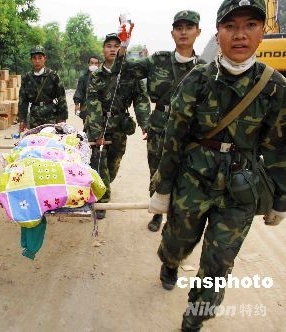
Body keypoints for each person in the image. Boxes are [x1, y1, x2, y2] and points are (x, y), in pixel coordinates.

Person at [148, 0, 285, 330]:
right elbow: (174, 136)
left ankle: (194, 319)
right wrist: (162, 188)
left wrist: (280, 198)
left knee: (219, 260)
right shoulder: (198, 80)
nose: (240, 35)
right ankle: (170, 262)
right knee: (177, 241)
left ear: (262, 32)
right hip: (193, 178)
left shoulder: (274, 86)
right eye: (230, 27)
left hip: (241, 186)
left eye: (250, 25)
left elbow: (279, 146)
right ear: (218, 32)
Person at [123, 10, 205, 232]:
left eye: (189, 27)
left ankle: (176, 216)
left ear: (198, 31)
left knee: (186, 172)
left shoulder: (205, 68)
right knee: (156, 170)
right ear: (172, 33)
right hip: (160, 125)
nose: (184, 32)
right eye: (179, 28)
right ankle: (157, 213)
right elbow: (126, 70)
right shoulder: (157, 60)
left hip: (190, 129)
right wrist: (124, 45)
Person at [85, 33, 150, 219]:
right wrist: (97, 132)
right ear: (103, 50)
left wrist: (145, 123)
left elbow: (141, 100)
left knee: (113, 165)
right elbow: (92, 103)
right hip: (99, 125)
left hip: (120, 126)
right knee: (99, 162)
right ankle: (102, 201)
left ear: (122, 49)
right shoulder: (96, 76)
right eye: (108, 45)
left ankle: (105, 186)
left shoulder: (130, 74)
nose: (112, 48)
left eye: (116, 45)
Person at [18, 45, 68, 131]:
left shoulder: (53, 76)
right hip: (34, 116)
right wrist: (22, 120)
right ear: (31, 60)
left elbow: (61, 97)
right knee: (34, 141)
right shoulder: (27, 78)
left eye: (40, 58)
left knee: (50, 141)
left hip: (51, 115)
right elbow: (23, 101)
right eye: (34, 58)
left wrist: (62, 118)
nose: (37, 61)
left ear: (45, 59)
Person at [73, 55, 99, 121]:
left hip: (99, 109)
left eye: (96, 63)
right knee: (86, 128)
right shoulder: (83, 78)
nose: (94, 65)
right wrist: (76, 105)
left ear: (99, 65)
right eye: (92, 63)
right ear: (88, 64)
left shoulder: (102, 77)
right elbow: (79, 91)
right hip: (86, 108)